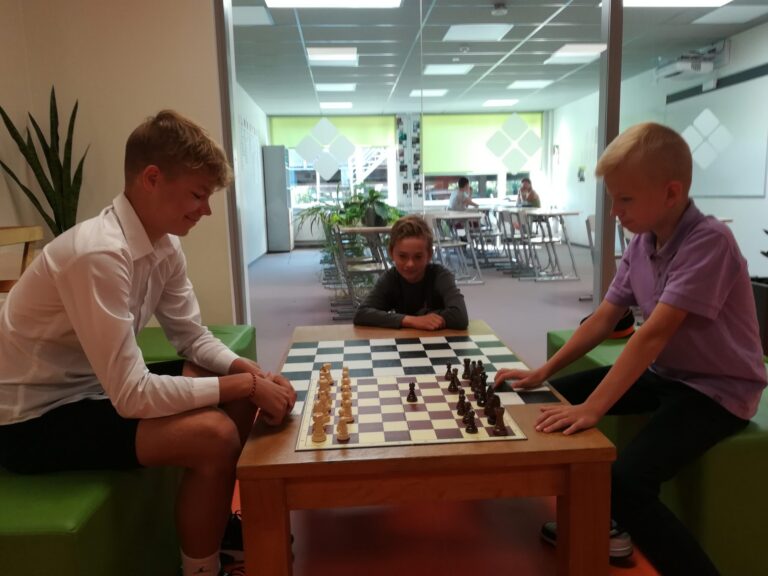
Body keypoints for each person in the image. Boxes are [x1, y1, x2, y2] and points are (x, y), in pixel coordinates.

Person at [0, 110, 297, 576]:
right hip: (32, 420)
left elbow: (191, 336)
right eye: (198, 194)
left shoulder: (163, 243)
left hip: (93, 388)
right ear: (152, 178)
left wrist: (248, 373)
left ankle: (216, 530)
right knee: (215, 436)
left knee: (234, 388)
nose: (206, 210)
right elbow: (132, 394)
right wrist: (243, 386)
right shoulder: (98, 253)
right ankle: (200, 570)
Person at [495, 122, 766, 575]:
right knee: (546, 399)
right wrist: (543, 372)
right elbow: (605, 317)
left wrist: (594, 408)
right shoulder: (642, 242)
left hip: (718, 391)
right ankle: (599, 521)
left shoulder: (710, 241)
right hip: (667, 375)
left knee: (627, 480)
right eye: (613, 200)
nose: (615, 212)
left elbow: (653, 334)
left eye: (625, 200)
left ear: (671, 193)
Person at [354, 215, 468, 331]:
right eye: (402, 256)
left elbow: (460, 316)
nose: (410, 264)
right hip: (405, 340)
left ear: (429, 255)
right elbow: (362, 314)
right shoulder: (391, 278)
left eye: (418, 257)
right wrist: (412, 320)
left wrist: (423, 317)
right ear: (391, 253)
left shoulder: (441, 276)